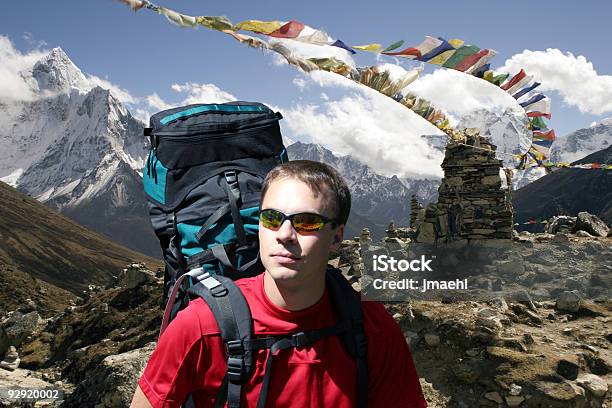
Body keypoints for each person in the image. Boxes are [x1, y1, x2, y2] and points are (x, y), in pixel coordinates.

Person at [131, 160, 427, 407]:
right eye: (271, 219)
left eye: (307, 222)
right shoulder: (201, 327)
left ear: (337, 237)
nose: (284, 234)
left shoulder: (374, 329)